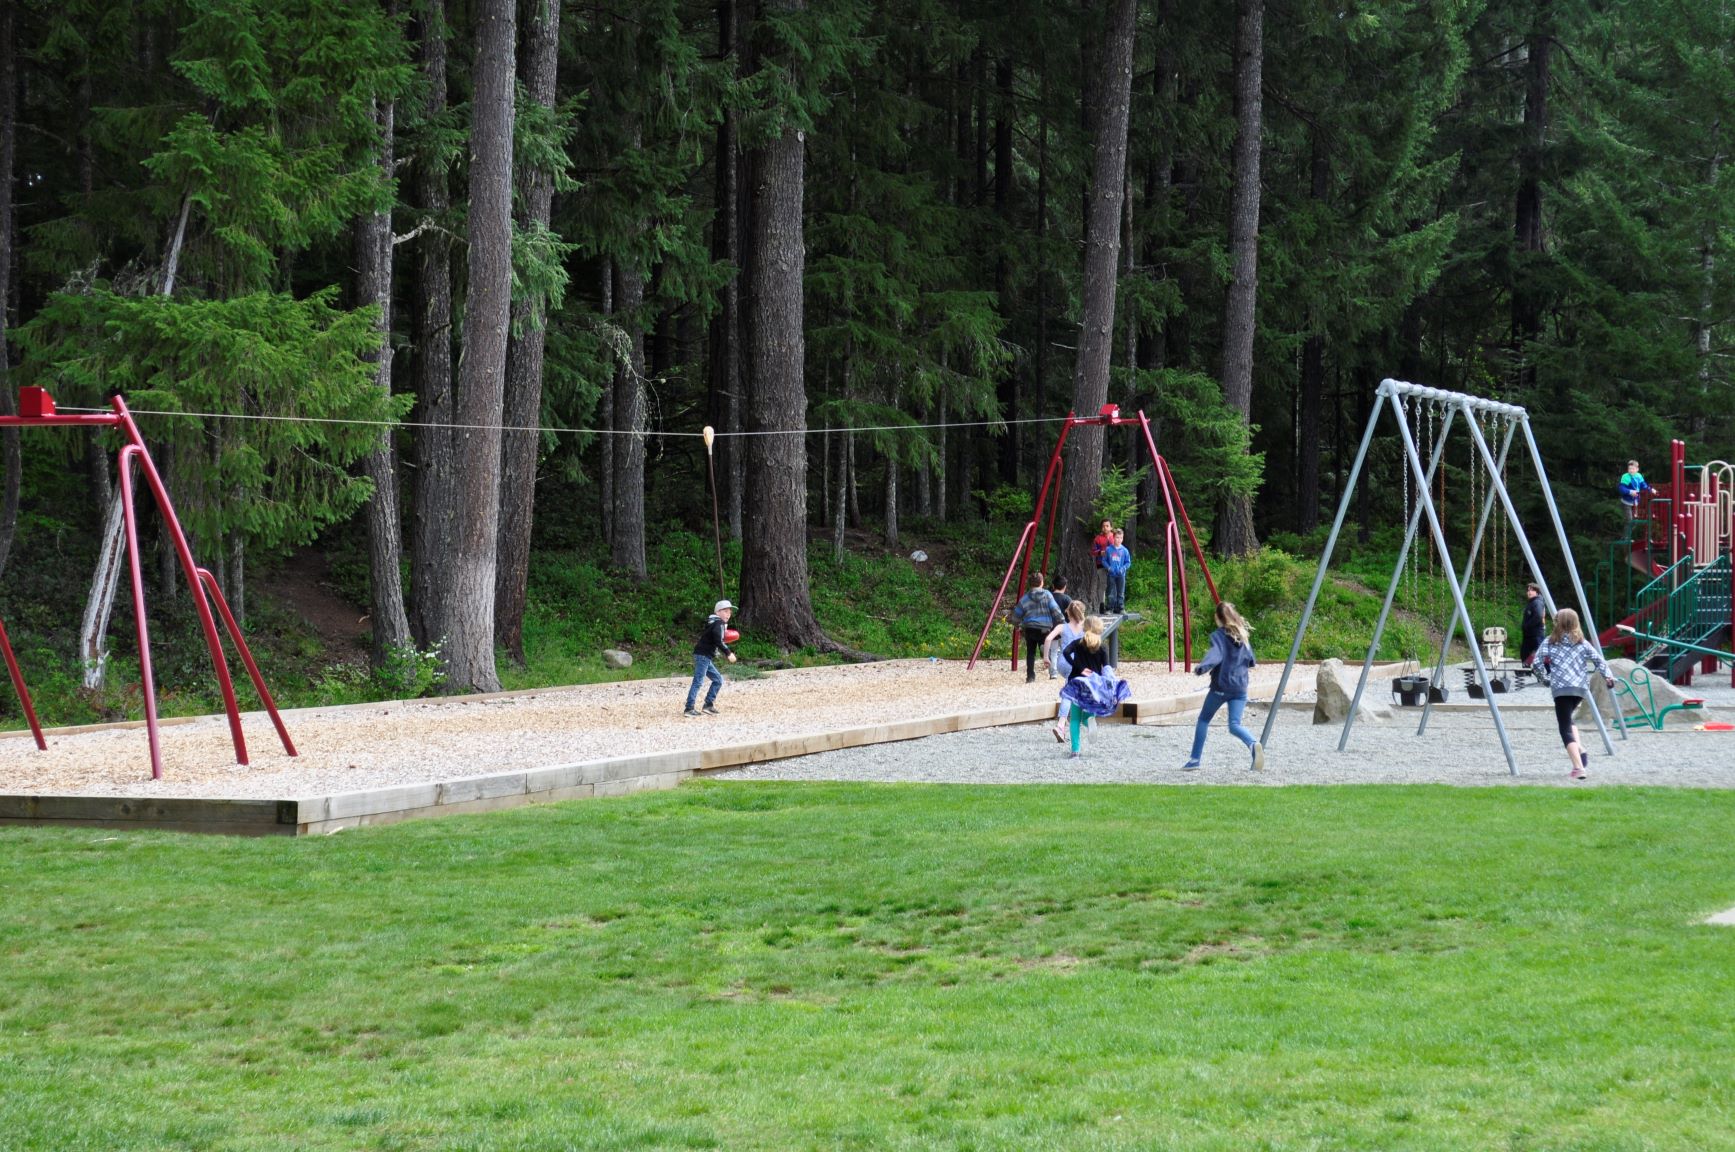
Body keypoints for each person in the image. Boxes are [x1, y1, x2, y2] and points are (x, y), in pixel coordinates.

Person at [1533, 607, 1613, 780]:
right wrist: (1608, 677)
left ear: (1557, 623)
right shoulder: (1582, 643)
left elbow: (1536, 664)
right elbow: (1599, 660)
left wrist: (1545, 679)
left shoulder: (1549, 642)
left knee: (1564, 728)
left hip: (1561, 689)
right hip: (1579, 689)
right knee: (1569, 720)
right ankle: (1580, 749)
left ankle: (1578, 768)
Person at [1182, 601, 1263, 771]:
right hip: (1240, 688)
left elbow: (1216, 654)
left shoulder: (1219, 636)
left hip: (1221, 687)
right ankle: (1253, 744)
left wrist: (1202, 667)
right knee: (1235, 725)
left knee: (1203, 719)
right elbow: (1251, 661)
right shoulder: (1243, 635)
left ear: (1218, 618)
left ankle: (1195, 760)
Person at [1059, 615, 1110, 757]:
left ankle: (1075, 751)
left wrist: (1079, 667)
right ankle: (1090, 723)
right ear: (1099, 630)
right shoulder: (1102, 647)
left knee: (1075, 719)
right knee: (1088, 715)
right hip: (1093, 687)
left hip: (1077, 685)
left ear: (1084, 628)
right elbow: (1106, 668)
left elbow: (1065, 652)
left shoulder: (1078, 643)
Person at [684, 599, 738, 717]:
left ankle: (708, 705)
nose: (728, 614)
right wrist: (728, 653)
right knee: (698, 681)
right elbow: (718, 641)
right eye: (725, 611)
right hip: (703, 655)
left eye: (730, 612)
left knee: (718, 680)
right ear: (718, 612)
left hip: (705, 656)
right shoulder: (718, 624)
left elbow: (715, 639)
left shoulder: (714, 623)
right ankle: (689, 708)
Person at [1009, 573, 1064, 684]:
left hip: (1030, 629)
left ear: (1030, 584)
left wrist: (1017, 625)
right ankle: (1052, 672)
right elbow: (1055, 610)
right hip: (1044, 629)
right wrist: (1062, 621)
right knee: (1046, 649)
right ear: (1042, 582)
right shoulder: (1047, 595)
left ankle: (1030, 676)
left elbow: (1016, 615)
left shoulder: (1025, 598)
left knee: (1030, 653)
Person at [1045, 601, 1087, 727]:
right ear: (1082, 613)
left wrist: (1046, 657)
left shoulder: (1061, 627)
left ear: (1068, 613)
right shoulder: (1086, 627)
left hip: (1063, 662)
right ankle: (1061, 723)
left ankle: (1069, 717)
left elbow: (1048, 639)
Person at [1102, 528, 1131, 614]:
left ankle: (1120, 608)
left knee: (1120, 592)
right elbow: (1104, 561)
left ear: (1123, 539)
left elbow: (1128, 562)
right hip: (1111, 574)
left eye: (1121, 538)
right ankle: (1110, 608)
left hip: (1121, 575)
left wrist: (1123, 568)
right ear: (1113, 538)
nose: (1118, 540)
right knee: (1110, 591)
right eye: (1117, 537)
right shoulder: (1108, 549)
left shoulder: (1125, 550)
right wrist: (1109, 568)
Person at [1519, 583, 1546, 667]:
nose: (1529, 592)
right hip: (1529, 634)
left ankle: (1549, 671)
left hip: (1536, 633)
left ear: (1537, 592)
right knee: (1525, 652)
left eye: (1532, 590)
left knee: (1539, 652)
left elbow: (1538, 616)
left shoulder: (1537, 602)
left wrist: (1527, 625)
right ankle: (1526, 668)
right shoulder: (1532, 602)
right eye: (1528, 590)